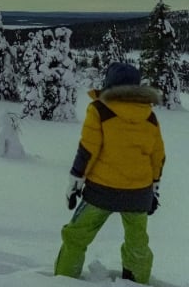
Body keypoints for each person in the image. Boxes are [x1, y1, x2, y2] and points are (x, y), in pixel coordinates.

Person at [54, 62, 165, 284]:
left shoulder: (99, 109)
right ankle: (136, 282)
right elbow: (158, 156)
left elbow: (88, 149)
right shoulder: (149, 116)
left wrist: (75, 181)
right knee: (137, 245)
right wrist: (154, 189)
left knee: (75, 237)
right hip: (138, 193)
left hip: (101, 191)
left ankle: (63, 280)